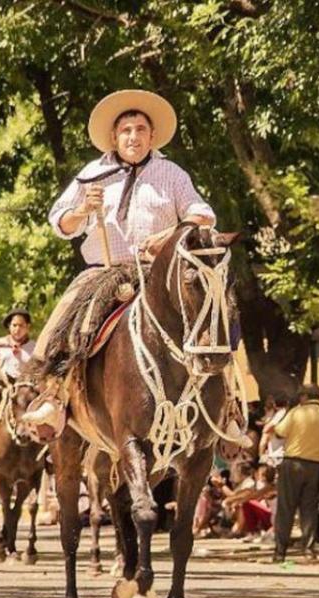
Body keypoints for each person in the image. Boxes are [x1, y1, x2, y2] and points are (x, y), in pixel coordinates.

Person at [22, 89, 218, 435]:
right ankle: (51, 396)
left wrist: (171, 234)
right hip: (105, 272)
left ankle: (226, 403)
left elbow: (204, 215)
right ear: (114, 136)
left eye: (141, 129)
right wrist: (83, 209)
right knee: (66, 321)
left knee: (211, 314)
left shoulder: (171, 173)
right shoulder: (92, 173)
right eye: (126, 130)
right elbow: (60, 224)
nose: (133, 136)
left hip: (162, 274)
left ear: (152, 135)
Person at [272, 383, 319, 562]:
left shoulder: (296, 412)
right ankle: (309, 549)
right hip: (315, 465)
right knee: (309, 509)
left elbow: (279, 432)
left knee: (286, 508)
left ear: (305, 397)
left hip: (293, 463)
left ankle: (280, 552)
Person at [0, 308, 35, 382]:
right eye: (14, 325)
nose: (17, 329)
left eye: (21, 325)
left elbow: (38, 371)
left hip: (26, 386)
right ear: (9, 326)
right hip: (2, 384)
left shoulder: (34, 347)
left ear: (27, 327)